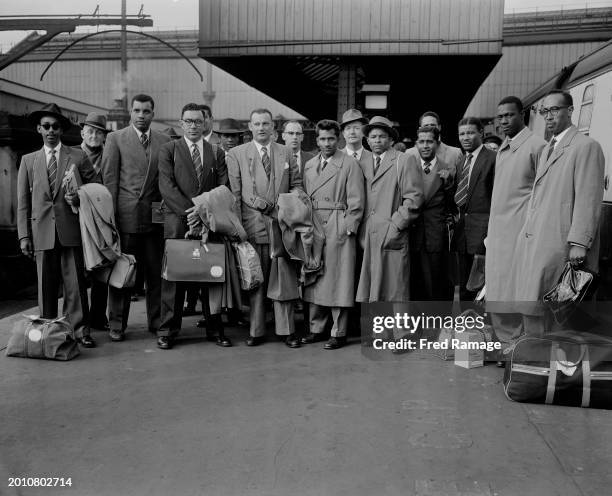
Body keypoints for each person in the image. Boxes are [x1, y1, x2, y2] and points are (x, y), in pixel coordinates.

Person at [513, 89, 604, 334]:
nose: (548, 116)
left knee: (557, 308)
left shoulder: (586, 147)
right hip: (539, 237)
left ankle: (549, 363)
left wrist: (579, 242)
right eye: (545, 111)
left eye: (555, 110)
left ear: (570, 111)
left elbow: (589, 198)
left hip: (561, 242)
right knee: (534, 302)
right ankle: (534, 359)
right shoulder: (547, 149)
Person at [17, 103, 99, 348]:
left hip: (71, 230)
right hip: (41, 231)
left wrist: (79, 196)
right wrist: (24, 236)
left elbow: (96, 189)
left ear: (62, 130)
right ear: (39, 130)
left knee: (75, 284)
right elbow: (22, 202)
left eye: (55, 126)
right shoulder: (28, 161)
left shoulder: (77, 156)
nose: (51, 131)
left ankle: (80, 330)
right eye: (46, 127)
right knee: (46, 285)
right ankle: (48, 330)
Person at [226, 108, 303, 347]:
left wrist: (289, 204)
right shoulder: (237, 154)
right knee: (256, 281)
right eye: (257, 124)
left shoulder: (286, 152)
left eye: (266, 124)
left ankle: (286, 331)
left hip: (282, 226)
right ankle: (256, 330)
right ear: (250, 127)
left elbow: (297, 185)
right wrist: (239, 230)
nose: (261, 128)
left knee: (284, 280)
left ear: (273, 128)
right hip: (253, 226)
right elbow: (235, 195)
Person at [157, 103, 231, 350]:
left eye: (197, 121)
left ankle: (214, 328)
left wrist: (202, 213)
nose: (193, 125)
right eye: (188, 121)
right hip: (178, 223)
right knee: (173, 278)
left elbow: (222, 188)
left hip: (209, 223)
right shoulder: (169, 150)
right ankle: (168, 330)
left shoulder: (216, 152)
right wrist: (192, 212)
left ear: (205, 123)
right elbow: (166, 187)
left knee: (211, 276)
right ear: (181, 123)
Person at [102, 94, 171, 341]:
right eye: (137, 111)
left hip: (155, 218)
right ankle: (117, 324)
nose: (141, 115)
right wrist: (110, 221)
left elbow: (166, 181)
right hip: (126, 218)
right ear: (131, 113)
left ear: (153, 114)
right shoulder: (115, 139)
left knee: (155, 274)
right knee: (123, 273)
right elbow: (109, 182)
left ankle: (155, 321)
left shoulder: (164, 140)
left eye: (146, 111)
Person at [485, 96, 546, 355]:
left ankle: (515, 346)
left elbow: (541, 193)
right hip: (498, 230)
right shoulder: (504, 146)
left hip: (519, 231)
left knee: (514, 289)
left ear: (522, 114)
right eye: (500, 117)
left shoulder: (537, 145)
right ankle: (505, 344)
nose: (503, 121)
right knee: (498, 288)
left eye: (509, 115)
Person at [301, 119, 365, 350]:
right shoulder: (309, 165)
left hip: (338, 225)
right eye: (322, 138)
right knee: (315, 277)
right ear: (316, 140)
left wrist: (349, 226)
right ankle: (316, 328)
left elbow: (357, 201)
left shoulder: (349, 164)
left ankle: (339, 332)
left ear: (338, 139)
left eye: (330, 138)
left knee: (339, 280)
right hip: (314, 225)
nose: (326, 143)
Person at [356, 116, 423, 304]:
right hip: (369, 234)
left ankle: (401, 333)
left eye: (382, 136)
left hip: (393, 232)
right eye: (373, 136)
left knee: (396, 287)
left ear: (391, 139)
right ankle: (381, 333)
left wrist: (396, 225)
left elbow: (414, 198)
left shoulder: (403, 160)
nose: (377, 140)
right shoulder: (362, 163)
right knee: (374, 288)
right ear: (367, 140)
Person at [452, 117, 496, 307]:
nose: (465, 137)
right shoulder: (462, 161)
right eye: (462, 134)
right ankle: (465, 328)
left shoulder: (493, 159)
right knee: (464, 286)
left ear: (481, 133)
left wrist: (490, 234)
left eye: (470, 132)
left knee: (481, 286)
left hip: (483, 233)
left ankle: (482, 330)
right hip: (463, 233)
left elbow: (496, 199)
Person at [409, 126, 456, 304]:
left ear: (437, 143)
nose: (425, 145)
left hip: (436, 234)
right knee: (415, 283)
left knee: (437, 282)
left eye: (429, 141)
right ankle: (416, 328)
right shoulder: (409, 165)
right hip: (413, 232)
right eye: (421, 142)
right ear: (416, 144)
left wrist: (449, 184)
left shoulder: (448, 168)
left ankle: (438, 326)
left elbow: (454, 205)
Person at [76, 112, 111, 332]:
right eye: (90, 130)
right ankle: (81, 320)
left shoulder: (108, 155)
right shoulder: (72, 154)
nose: (94, 135)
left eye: (99, 132)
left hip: (101, 221)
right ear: (82, 132)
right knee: (78, 272)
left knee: (102, 270)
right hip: (76, 220)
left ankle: (99, 317)